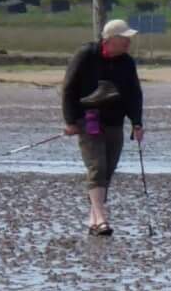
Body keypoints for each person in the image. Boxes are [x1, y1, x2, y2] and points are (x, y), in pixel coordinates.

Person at [61, 17, 146, 237]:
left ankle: (93, 219)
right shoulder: (86, 55)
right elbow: (69, 88)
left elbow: (133, 94)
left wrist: (137, 122)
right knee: (97, 167)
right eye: (124, 38)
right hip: (88, 121)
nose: (129, 43)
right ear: (110, 39)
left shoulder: (127, 62)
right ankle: (102, 219)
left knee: (107, 171)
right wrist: (70, 121)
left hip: (114, 122)